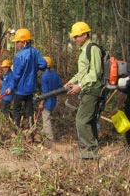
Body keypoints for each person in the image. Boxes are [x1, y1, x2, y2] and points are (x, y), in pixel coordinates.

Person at [64, 21, 103, 159]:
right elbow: (82, 73)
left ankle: (91, 149)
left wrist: (79, 86)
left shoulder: (93, 49)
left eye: (77, 36)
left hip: (92, 89)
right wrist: (72, 81)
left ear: (85, 34)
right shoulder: (84, 50)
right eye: (73, 37)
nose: (75, 40)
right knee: (89, 119)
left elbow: (95, 73)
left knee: (81, 119)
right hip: (87, 88)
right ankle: (92, 147)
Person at [6, 28, 47, 131]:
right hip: (31, 88)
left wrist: (11, 87)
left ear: (24, 42)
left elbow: (16, 75)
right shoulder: (35, 52)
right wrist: (34, 68)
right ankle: (31, 131)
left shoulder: (20, 56)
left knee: (16, 109)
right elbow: (44, 64)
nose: (16, 44)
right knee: (29, 109)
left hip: (20, 88)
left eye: (18, 42)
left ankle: (16, 130)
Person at [38, 56, 63, 148]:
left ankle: (49, 141)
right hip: (54, 101)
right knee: (46, 119)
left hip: (47, 102)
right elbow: (60, 86)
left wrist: (41, 103)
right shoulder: (55, 74)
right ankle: (43, 137)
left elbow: (45, 92)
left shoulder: (44, 76)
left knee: (46, 120)